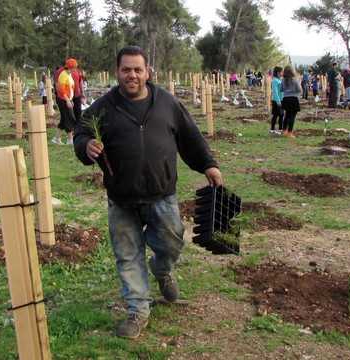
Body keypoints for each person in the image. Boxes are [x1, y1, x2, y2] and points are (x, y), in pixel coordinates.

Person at [73, 45, 223, 340]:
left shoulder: (166, 102)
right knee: (128, 256)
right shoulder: (103, 106)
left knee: (171, 243)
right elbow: (81, 131)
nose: (132, 75)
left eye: (137, 69)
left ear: (147, 72)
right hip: (121, 198)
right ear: (117, 72)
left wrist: (208, 164)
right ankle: (137, 311)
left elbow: (190, 136)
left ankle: (162, 269)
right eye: (126, 69)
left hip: (161, 194)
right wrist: (86, 146)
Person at [52, 58, 78, 145]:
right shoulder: (63, 75)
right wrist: (67, 100)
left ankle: (56, 138)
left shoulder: (69, 74)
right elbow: (61, 90)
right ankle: (70, 139)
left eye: (75, 67)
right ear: (69, 67)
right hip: (63, 100)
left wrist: (71, 99)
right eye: (73, 67)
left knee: (64, 119)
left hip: (68, 99)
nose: (75, 69)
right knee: (69, 118)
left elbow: (70, 88)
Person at [280, 65, 301, 139]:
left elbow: (281, 89)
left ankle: (284, 130)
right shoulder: (295, 80)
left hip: (286, 99)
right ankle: (290, 132)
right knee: (292, 116)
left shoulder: (283, 80)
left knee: (287, 115)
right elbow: (299, 89)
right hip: (294, 99)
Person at [270, 66, 284, 135]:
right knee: (275, 115)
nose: (282, 73)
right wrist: (278, 101)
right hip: (276, 101)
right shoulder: (275, 81)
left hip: (281, 100)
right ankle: (272, 129)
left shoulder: (280, 80)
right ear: (278, 72)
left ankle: (280, 129)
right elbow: (275, 92)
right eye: (281, 72)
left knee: (281, 115)